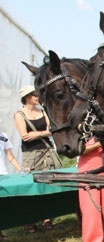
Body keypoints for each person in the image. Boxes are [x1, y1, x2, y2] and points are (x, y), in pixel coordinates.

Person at [14, 86, 63, 232]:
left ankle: (47, 218)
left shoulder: (42, 111)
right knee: (31, 185)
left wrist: (38, 134)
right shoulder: (19, 115)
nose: (37, 97)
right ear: (27, 97)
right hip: (31, 154)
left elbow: (52, 130)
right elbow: (25, 136)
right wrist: (44, 133)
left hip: (46, 151)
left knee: (48, 183)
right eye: (34, 95)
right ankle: (30, 220)